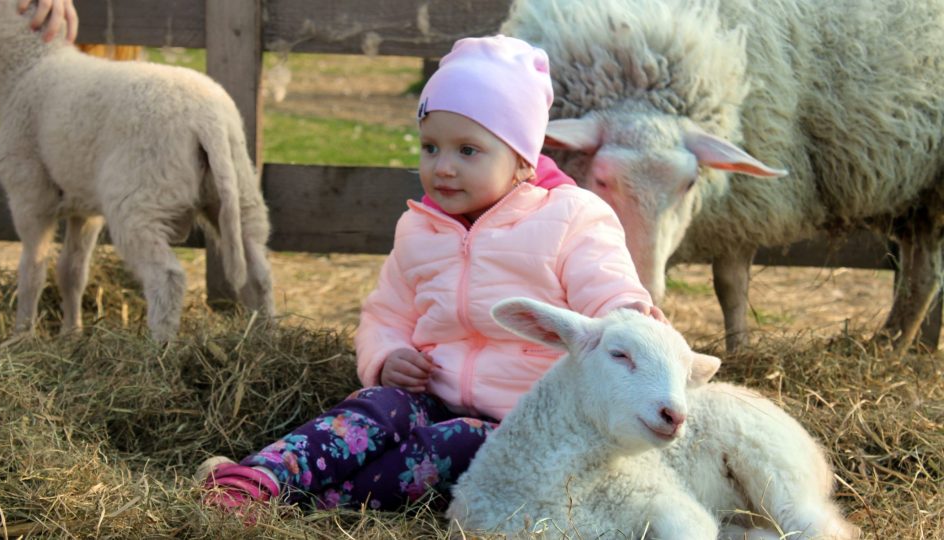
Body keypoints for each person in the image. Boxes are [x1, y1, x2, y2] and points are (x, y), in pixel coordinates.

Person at [200, 34, 668, 512]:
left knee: (449, 445)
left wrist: (631, 318)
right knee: (373, 409)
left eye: (468, 151)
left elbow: (608, 288)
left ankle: (314, 506)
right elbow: (386, 312)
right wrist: (388, 356)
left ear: (522, 162)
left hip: (526, 422)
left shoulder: (571, 218)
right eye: (430, 147)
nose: (442, 167)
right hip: (433, 396)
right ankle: (256, 478)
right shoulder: (419, 230)